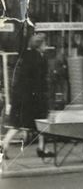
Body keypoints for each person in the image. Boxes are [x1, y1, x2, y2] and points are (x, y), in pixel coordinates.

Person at [0, 32, 49, 161]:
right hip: (31, 98)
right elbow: (37, 80)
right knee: (36, 122)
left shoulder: (29, 56)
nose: (46, 46)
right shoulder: (37, 58)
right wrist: (42, 94)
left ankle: (41, 147)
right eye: (44, 43)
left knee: (26, 123)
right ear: (39, 45)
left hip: (24, 96)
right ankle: (4, 145)